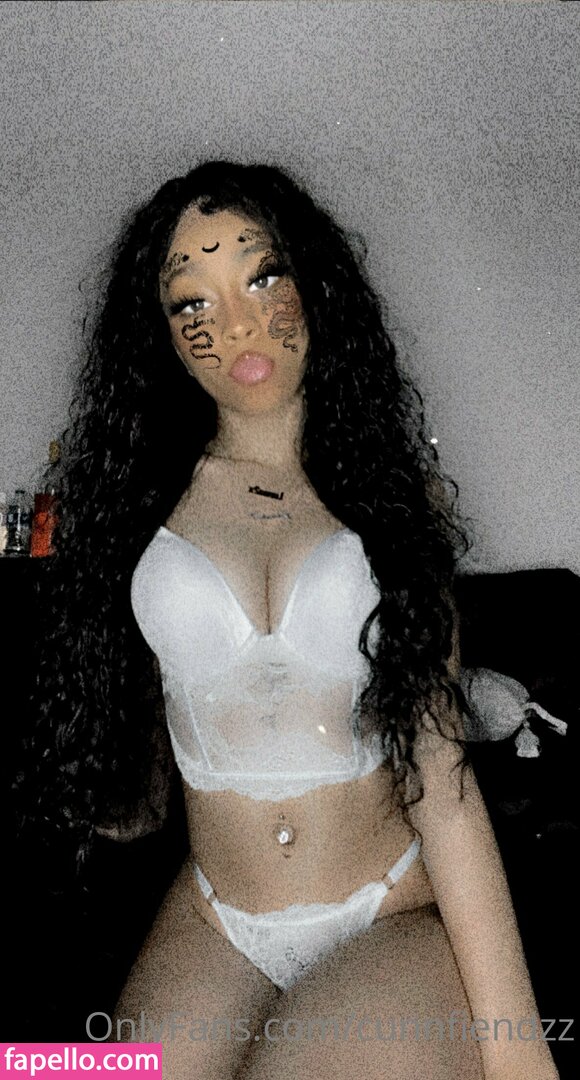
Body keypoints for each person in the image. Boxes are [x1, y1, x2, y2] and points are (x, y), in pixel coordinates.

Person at [17, 162, 558, 1079]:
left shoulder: (394, 501)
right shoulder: (136, 504)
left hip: (388, 905)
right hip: (220, 918)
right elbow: (135, 736)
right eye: (193, 300)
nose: (235, 324)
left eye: (261, 275)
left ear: (315, 280)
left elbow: (441, 776)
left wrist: (522, 1057)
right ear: (160, 330)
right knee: (62, 1073)